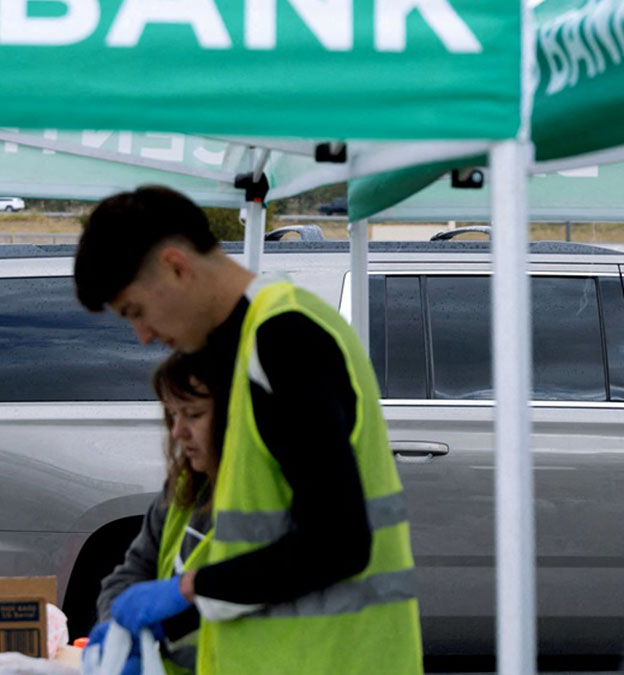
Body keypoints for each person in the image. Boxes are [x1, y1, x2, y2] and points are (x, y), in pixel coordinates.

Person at [74, 186, 421, 674]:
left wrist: (186, 588)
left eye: (136, 311)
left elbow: (338, 543)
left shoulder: (283, 340)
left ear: (176, 266)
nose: (144, 335)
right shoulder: (244, 351)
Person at [91, 352, 218, 675]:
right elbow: (128, 574)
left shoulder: (261, 502)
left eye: (193, 414)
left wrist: (167, 626)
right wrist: (117, 627)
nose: (177, 432)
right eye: (173, 415)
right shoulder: (183, 489)